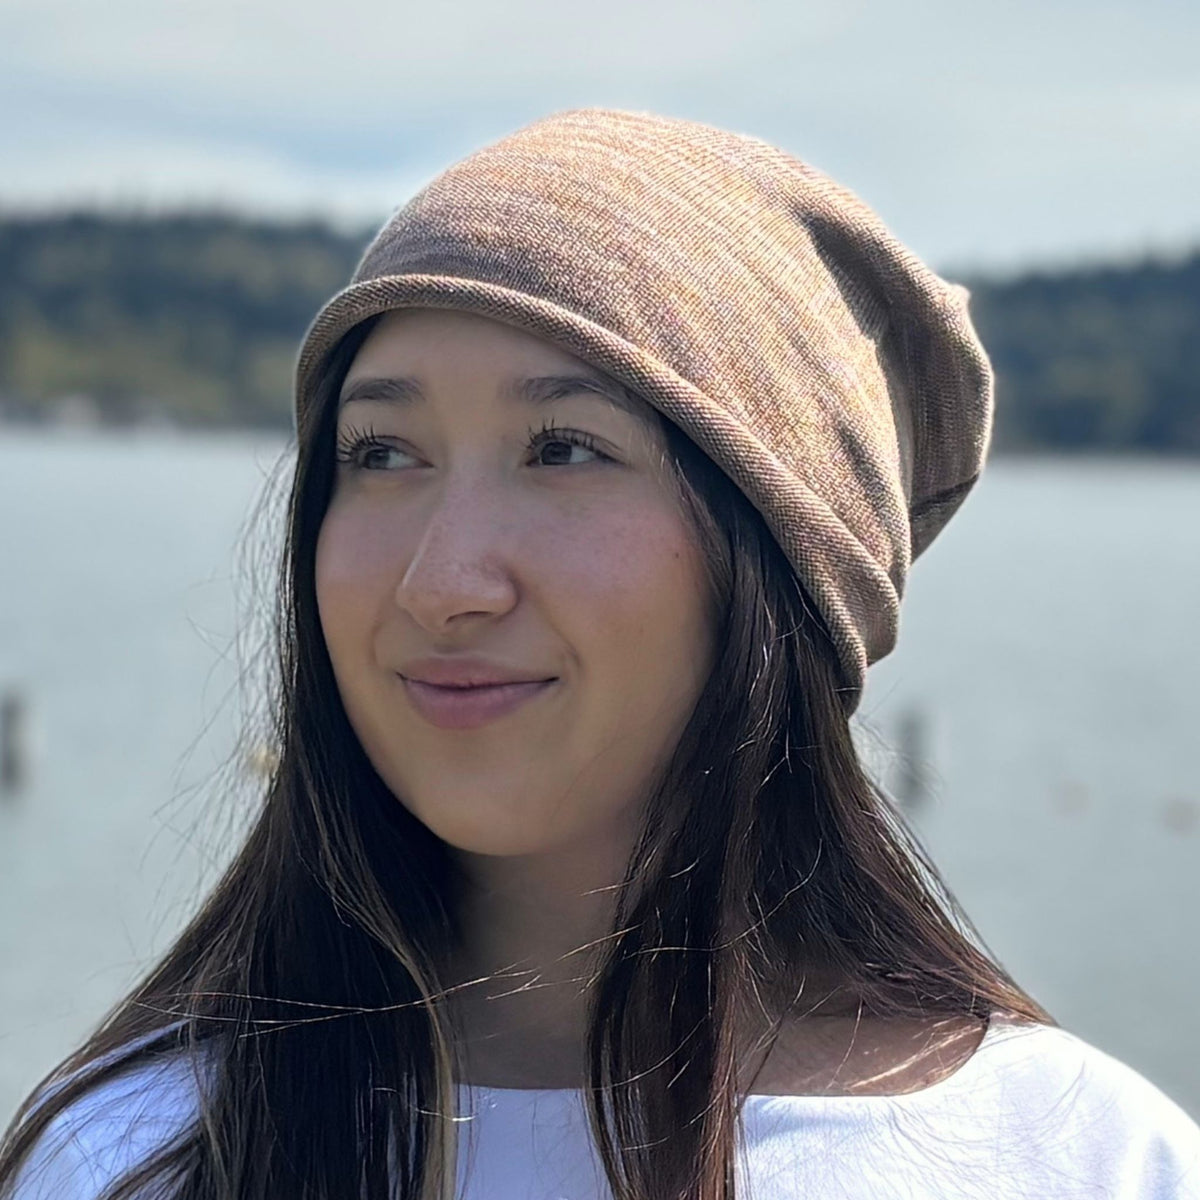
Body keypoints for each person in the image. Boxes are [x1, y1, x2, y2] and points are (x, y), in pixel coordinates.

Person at [2, 107, 1197, 1200]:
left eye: (565, 449)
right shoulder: (133, 1154)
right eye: (381, 454)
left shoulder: (1077, 1158)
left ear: (781, 559)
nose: (444, 583)